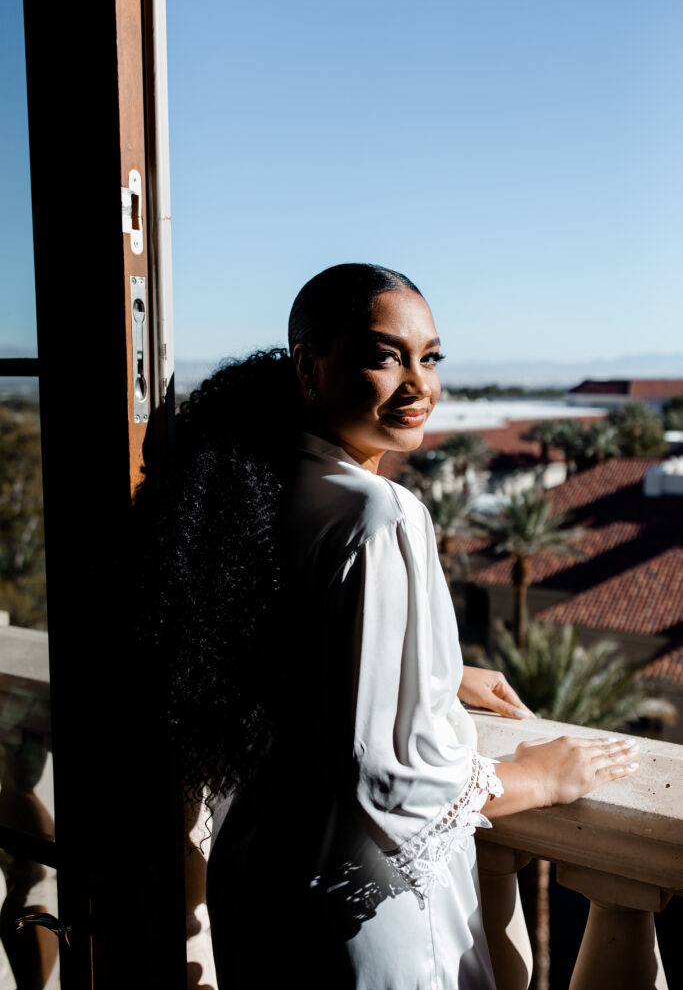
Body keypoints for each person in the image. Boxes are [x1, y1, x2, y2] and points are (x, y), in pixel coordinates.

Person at [150, 264, 639, 989]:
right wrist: (529, 777)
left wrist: (432, 673)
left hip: (258, 879)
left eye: (429, 357)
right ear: (309, 368)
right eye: (384, 356)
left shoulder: (260, 489)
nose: (419, 386)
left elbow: (277, 657)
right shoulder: (378, 514)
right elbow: (384, 775)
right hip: (358, 919)